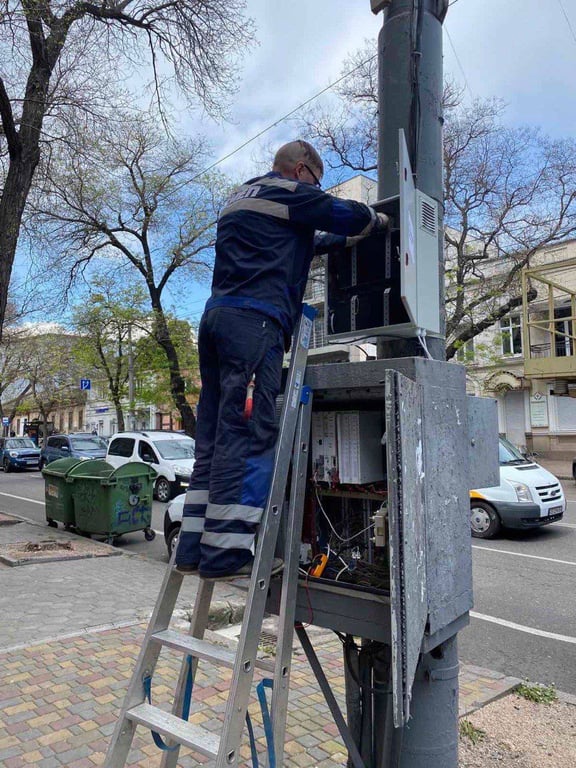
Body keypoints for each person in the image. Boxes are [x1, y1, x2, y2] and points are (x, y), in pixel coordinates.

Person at [175, 140, 388, 581]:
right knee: (251, 432)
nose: (316, 186)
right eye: (316, 179)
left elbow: (301, 244)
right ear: (301, 169)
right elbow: (342, 213)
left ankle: (194, 549)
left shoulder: (244, 197)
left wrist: (334, 241)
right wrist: (378, 220)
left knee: (213, 437)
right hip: (256, 326)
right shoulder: (290, 193)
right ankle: (228, 555)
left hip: (217, 321)